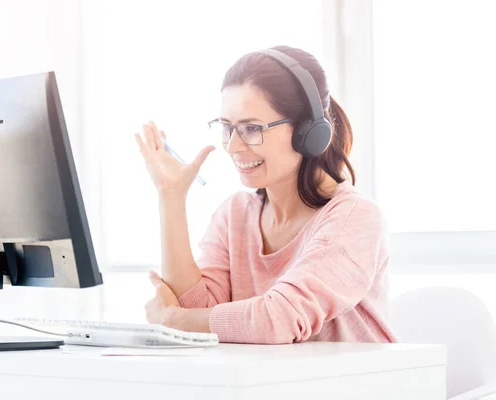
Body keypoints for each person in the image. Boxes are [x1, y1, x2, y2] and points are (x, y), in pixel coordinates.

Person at [134, 45, 396, 344]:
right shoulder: (235, 215)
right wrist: (170, 196)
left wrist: (173, 320)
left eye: (251, 128)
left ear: (309, 131)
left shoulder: (355, 218)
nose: (232, 146)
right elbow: (201, 314)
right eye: (227, 127)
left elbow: (278, 319)